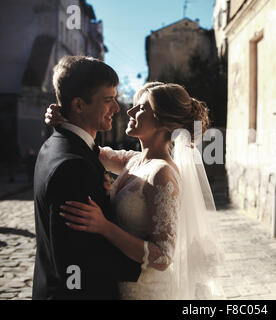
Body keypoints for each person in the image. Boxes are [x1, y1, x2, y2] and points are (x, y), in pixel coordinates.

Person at [45, 81, 223, 299]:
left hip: (145, 290)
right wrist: (64, 121)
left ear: (162, 121)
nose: (129, 110)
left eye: (140, 108)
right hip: (120, 282)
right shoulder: (134, 160)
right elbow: (90, 149)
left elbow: (163, 257)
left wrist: (104, 227)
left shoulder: (162, 174)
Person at [32, 56, 142, 300]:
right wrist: (142, 264)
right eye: (108, 100)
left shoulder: (54, 145)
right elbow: (77, 258)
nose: (117, 108)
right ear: (79, 106)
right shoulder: (73, 166)